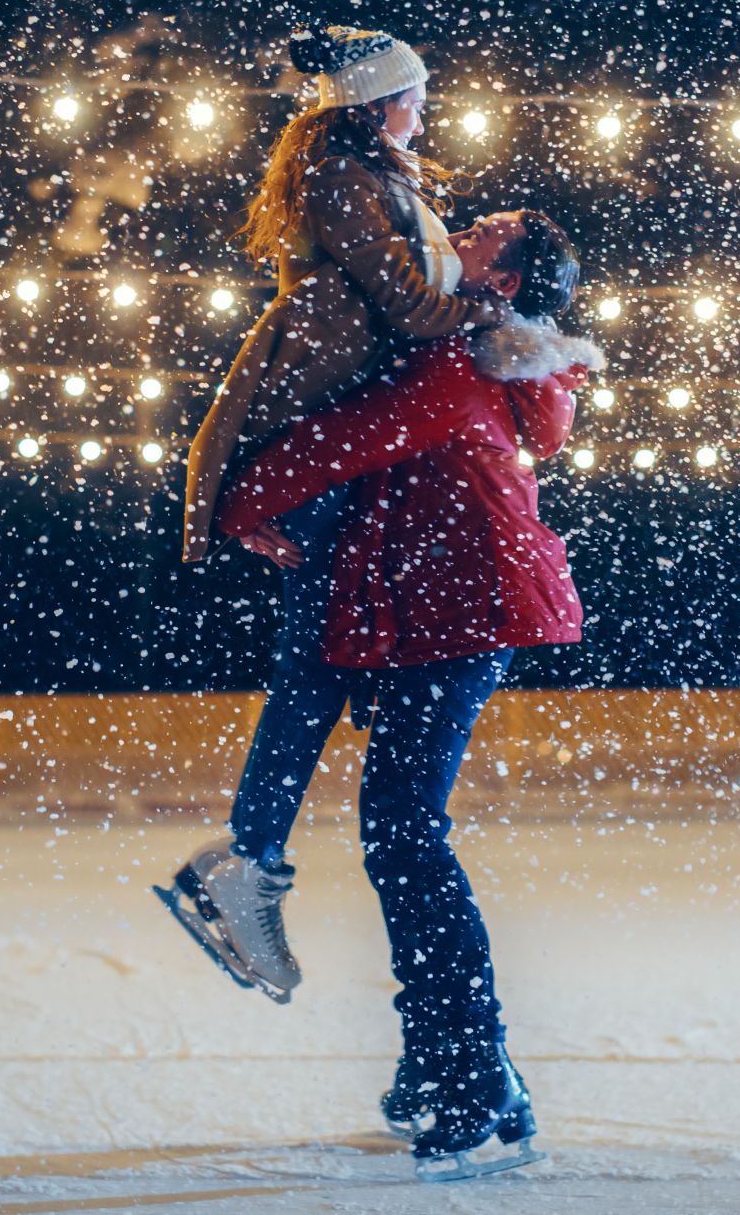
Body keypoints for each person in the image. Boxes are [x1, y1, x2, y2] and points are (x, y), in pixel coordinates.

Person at [211, 215, 594, 1179]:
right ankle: (444, 1069)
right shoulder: (486, 362)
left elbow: (340, 442)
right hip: (451, 611)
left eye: (484, 230)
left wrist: (231, 499)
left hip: (458, 612)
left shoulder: (461, 368)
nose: (457, 230)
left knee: (405, 836)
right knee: (400, 834)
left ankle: (473, 1081)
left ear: (501, 276)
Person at [159, 25, 518, 1003]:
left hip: (345, 442)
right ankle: (246, 862)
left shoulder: (373, 178)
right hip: (319, 427)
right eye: (415, 95)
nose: (424, 111)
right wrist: (497, 318)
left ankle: (248, 861)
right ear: (377, 105)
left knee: (319, 664)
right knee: (313, 667)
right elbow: (407, 307)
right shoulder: (341, 178)